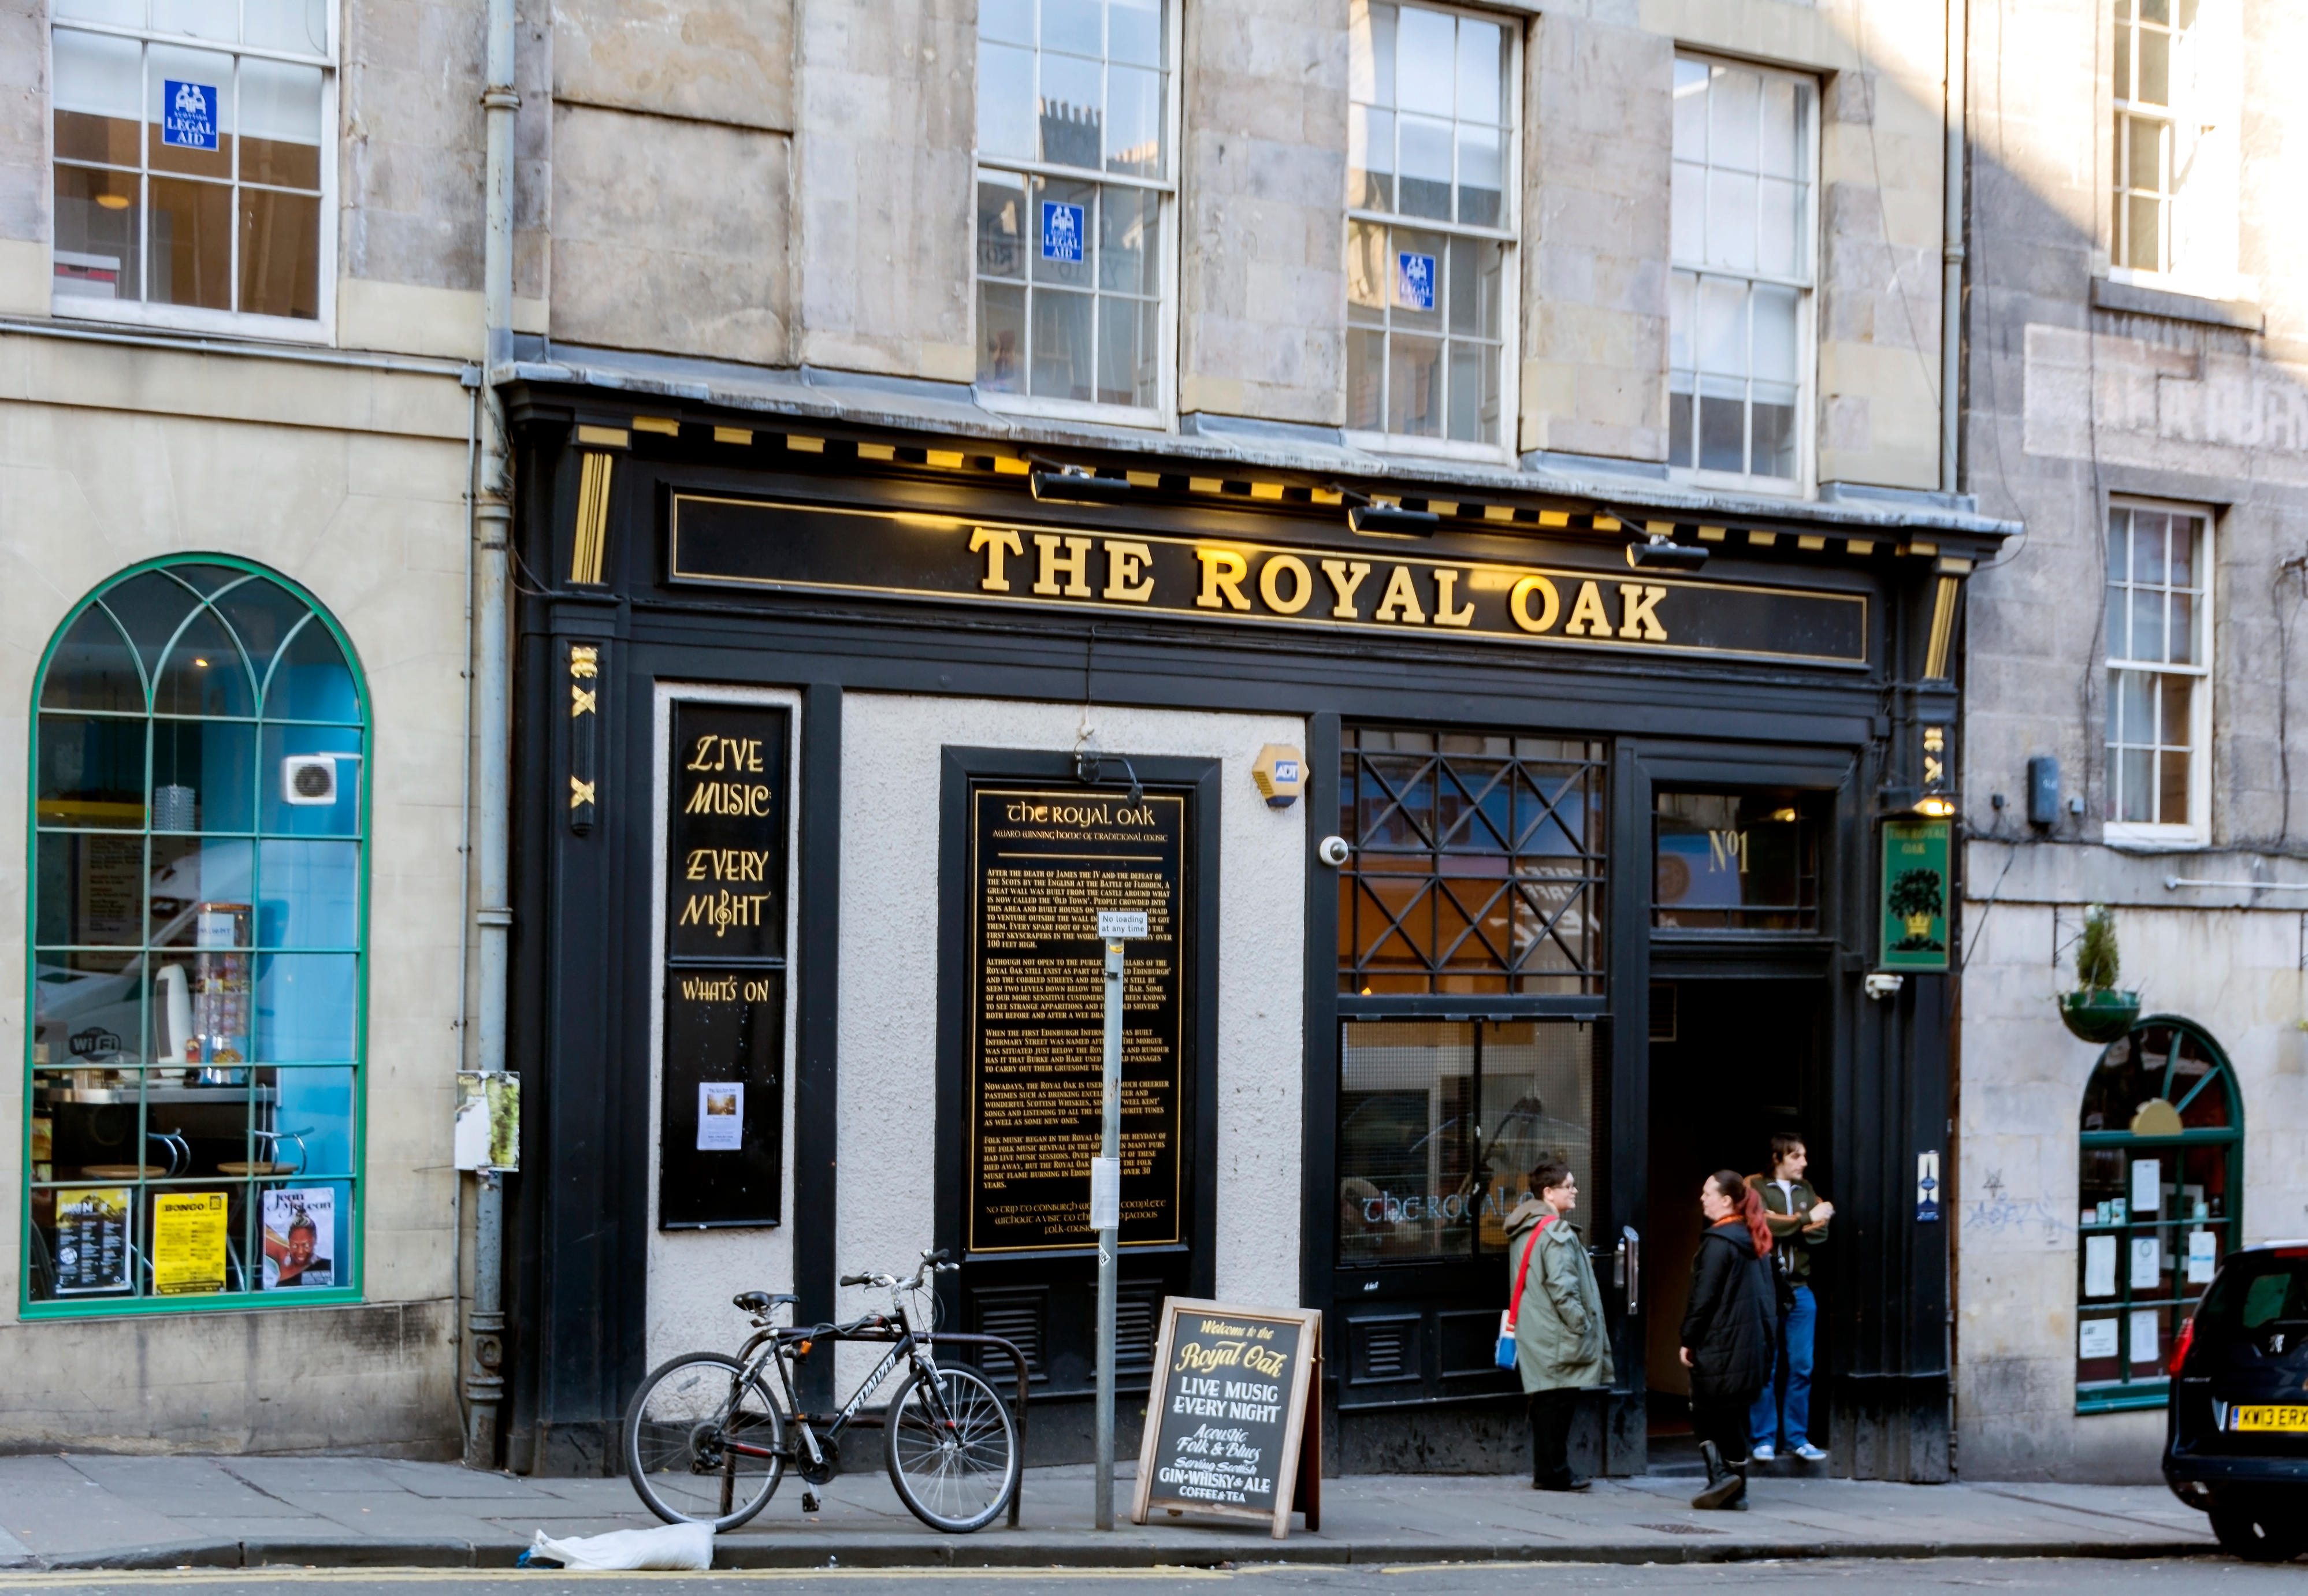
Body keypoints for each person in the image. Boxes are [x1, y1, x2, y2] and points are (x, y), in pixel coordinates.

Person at [1503, 1158, 1613, 1491]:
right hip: (1557, 1333)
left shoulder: (1526, 1228)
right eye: (1569, 1186)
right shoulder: (1555, 1230)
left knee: (1546, 1403)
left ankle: (1548, 1471)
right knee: (1558, 1405)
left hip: (1537, 1330)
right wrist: (1581, 1325)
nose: (1575, 1190)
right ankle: (1555, 1473)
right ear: (1549, 1193)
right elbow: (1562, 1287)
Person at [1679, 1169, 1777, 1511]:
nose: (1701, 1198)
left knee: (1704, 1413)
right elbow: (1779, 1297)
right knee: (1734, 1417)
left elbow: (1702, 1300)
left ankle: (1721, 1479)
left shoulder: (1719, 1243)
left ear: (1726, 1201)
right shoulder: (1756, 1240)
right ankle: (1737, 1493)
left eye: (1708, 1193)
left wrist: (1688, 1339)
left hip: (1720, 1346)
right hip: (1753, 1348)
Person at [1748, 1133, 1833, 1463]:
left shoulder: (1807, 1190)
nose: (1804, 1163)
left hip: (1800, 1290)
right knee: (1766, 1366)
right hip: (1767, 1289)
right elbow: (1760, 1225)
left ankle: (1797, 1438)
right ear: (1778, 1158)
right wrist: (1806, 1220)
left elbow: (1822, 1231)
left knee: (1802, 1366)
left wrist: (1795, 1225)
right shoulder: (1755, 1187)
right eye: (1797, 1156)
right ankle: (1764, 1439)